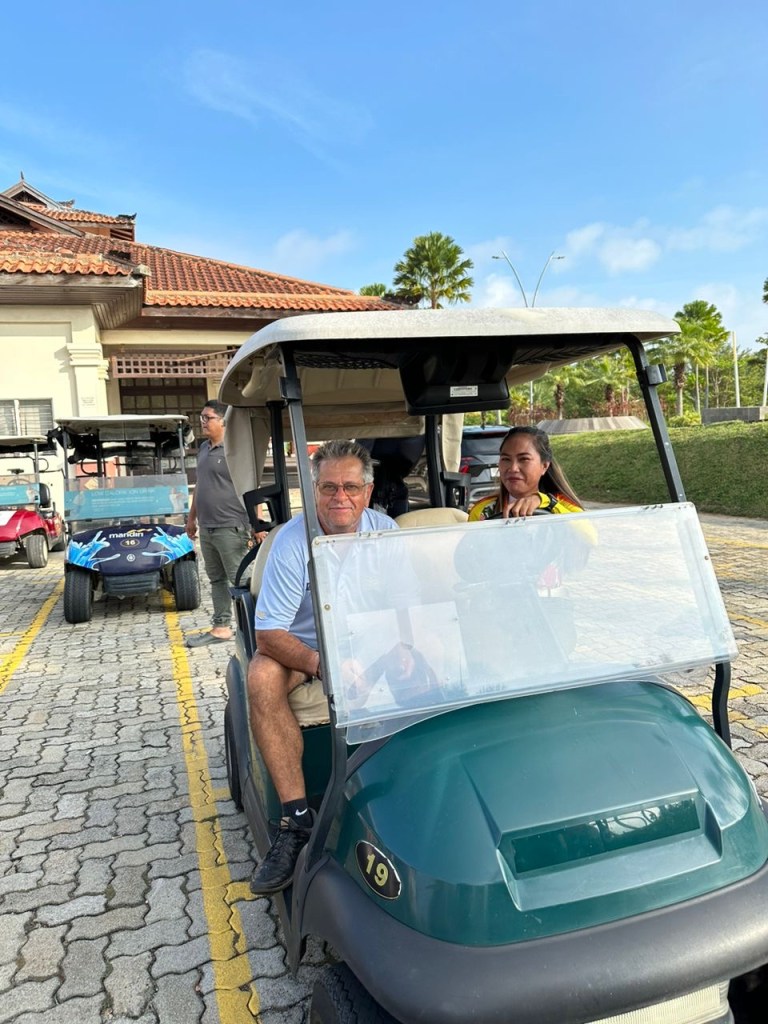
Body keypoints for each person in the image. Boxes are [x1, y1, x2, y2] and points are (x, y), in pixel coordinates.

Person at [248, 440, 401, 894]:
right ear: (314, 491)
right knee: (260, 676)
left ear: (367, 492)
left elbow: (407, 603)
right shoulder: (292, 542)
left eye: (351, 487)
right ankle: (296, 819)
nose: (340, 497)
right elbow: (269, 633)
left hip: (368, 641)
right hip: (305, 649)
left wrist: (403, 647)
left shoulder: (385, 532)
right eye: (329, 487)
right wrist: (322, 665)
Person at [185, 400, 251, 647]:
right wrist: (191, 519)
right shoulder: (203, 449)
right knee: (216, 580)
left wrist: (255, 525)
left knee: (241, 579)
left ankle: (258, 626)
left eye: (208, 418)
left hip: (231, 525)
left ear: (223, 421)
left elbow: (249, 486)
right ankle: (221, 627)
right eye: (202, 417)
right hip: (207, 527)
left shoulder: (234, 450)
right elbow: (200, 485)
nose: (203, 422)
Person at [468, 425, 584, 521]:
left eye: (524, 459)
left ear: (544, 466)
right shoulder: (482, 510)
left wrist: (546, 502)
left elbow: (589, 534)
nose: (513, 468)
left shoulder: (563, 506)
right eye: (506, 459)